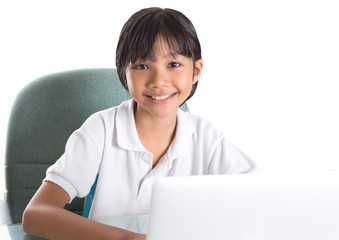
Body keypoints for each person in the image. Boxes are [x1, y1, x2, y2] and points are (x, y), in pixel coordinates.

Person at [22, 7, 258, 240]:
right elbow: (35, 214)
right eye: (142, 66)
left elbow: (259, 197)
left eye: (173, 64)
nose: (159, 81)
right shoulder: (100, 130)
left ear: (196, 70)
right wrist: (129, 239)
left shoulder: (206, 137)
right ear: (124, 75)